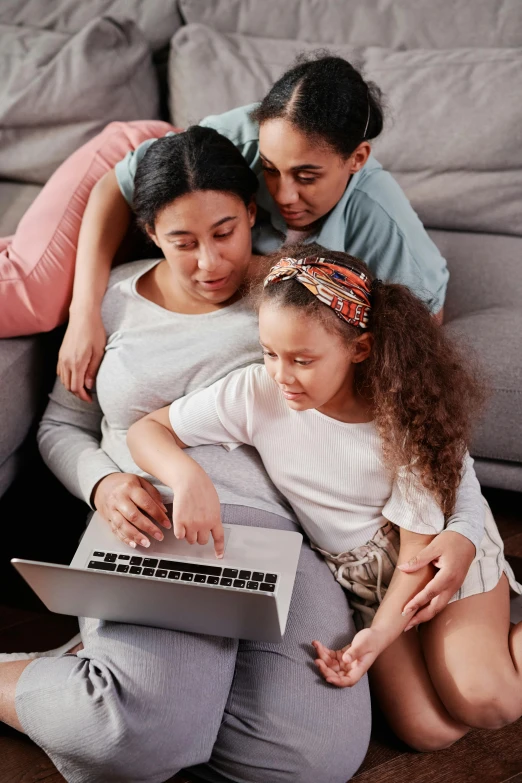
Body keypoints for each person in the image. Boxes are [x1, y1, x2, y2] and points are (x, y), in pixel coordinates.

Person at [54, 53, 485, 631]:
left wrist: (463, 523)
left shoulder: (385, 232)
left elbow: (418, 388)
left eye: (306, 176)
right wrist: (85, 310)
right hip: (164, 497)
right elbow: (119, 184)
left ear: (357, 160)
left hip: (303, 517)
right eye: (271, 169)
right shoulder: (240, 140)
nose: (283, 193)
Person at [0, 128, 372, 783]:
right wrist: (104, 484)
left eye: (225, 232)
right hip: (152, 518)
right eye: (183, 242)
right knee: (136, 736)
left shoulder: (293, 292)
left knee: (315, 760)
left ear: (253, 213)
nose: (209, 262)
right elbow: (61, 426)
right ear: (149, 231)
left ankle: (119, 678)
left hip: (279, 532)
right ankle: (36, 679)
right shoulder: (109, 301)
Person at [127, 243, 522, 752]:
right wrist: (185, 477)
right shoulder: (257, 392)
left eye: (303, 360)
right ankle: (479, 634)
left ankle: (497, 628)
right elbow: (148, 430)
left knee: (487, 702)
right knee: (429, 732)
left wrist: (376, 639)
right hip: (360, 581)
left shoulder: (399, 415)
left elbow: (416, 552)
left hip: (423, 559)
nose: (282, 375)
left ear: (359, 348)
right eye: (270, 353)